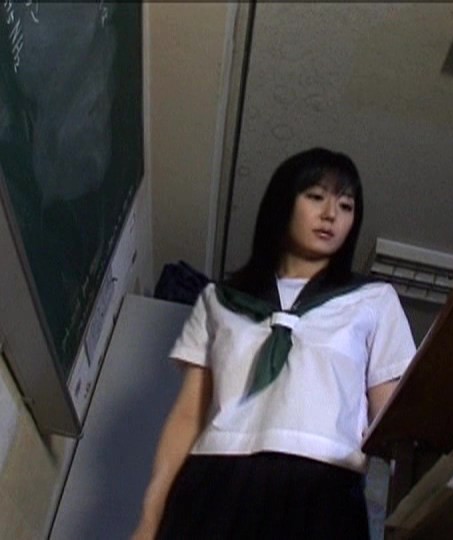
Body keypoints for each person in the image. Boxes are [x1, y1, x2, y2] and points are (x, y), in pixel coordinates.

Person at [132, 147, 416, 539]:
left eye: (346, 205)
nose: (331, 214)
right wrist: (150, 516)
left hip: (324, 486)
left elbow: (392, 418)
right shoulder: (219, 300)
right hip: (216, 479)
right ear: (283, 202)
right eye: (316, 196)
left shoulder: (374, 300)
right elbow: (188, 415)